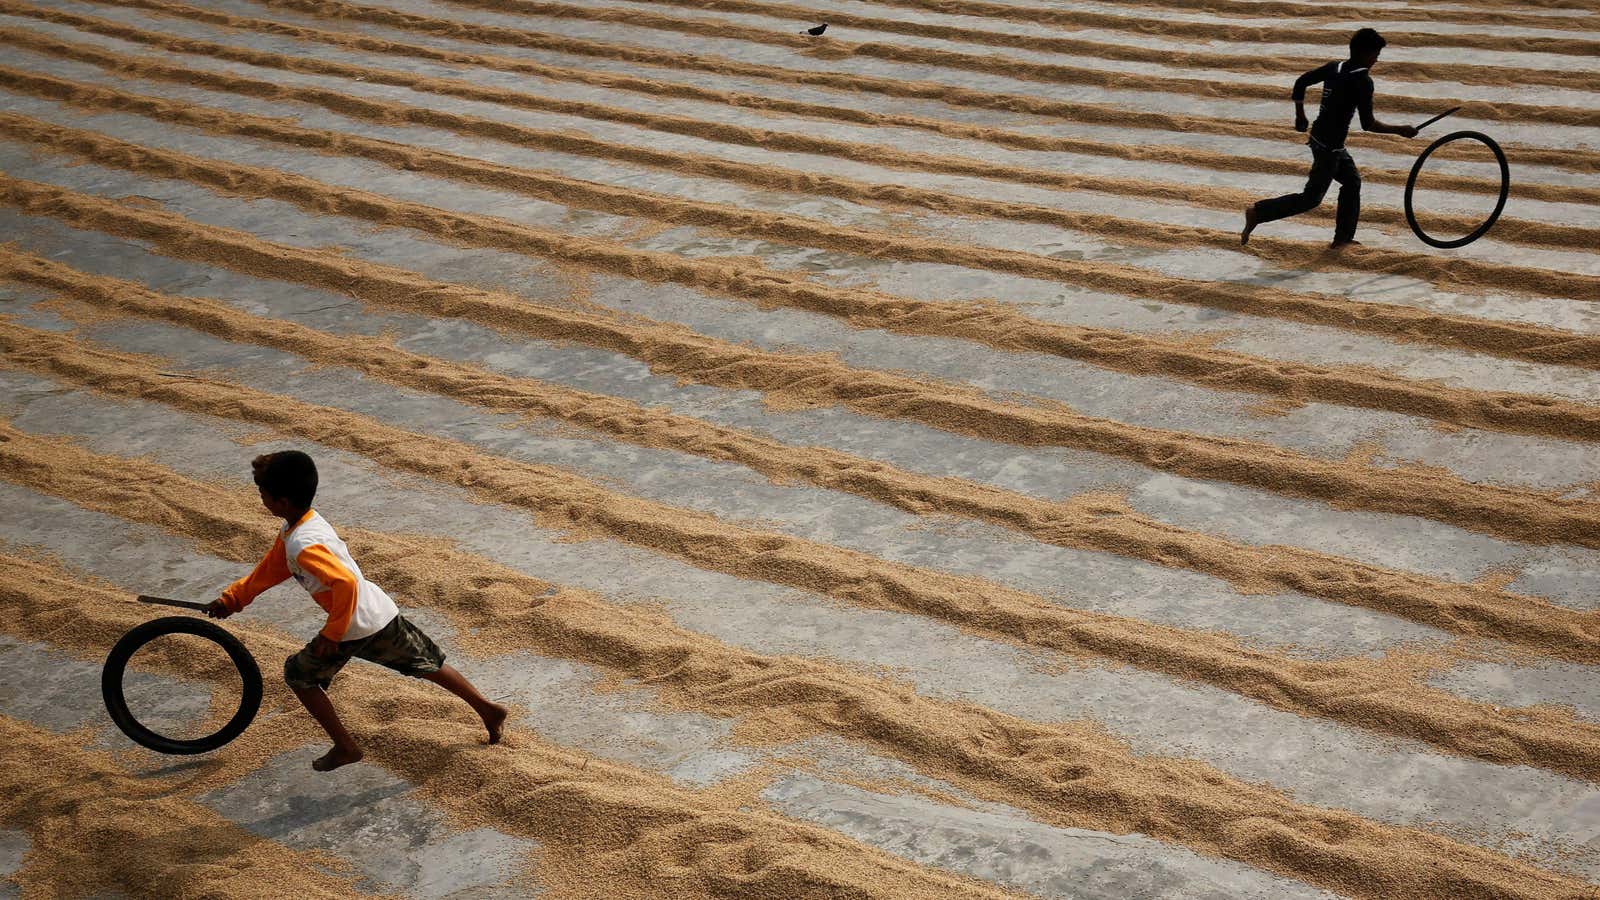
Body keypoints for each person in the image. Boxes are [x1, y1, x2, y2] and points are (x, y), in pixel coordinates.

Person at [205, 450, 507, 771]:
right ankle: (488, 710)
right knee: (427, 662)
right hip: (377, 610)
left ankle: (345, 746)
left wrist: (332, 634)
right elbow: (271, 569)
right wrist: (232, 599)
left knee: (299, 675)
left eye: (262, 493)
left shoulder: (302, 545)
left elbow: (345, 583)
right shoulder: (303, 525)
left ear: (280, 502)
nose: (260, 498)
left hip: (352, 624)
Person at [1241, 28, 1418, 248]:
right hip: (1329, 147)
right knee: (1311, 199)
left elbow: (1301, 82)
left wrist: (1300, 115)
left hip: (1319, 137)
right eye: (1375, 55)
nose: (1376, 60)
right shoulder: (1362, 81)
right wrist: (1400, 129)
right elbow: (1368, 124)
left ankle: (1342, 239)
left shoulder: (1335, 67)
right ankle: (1258, 212)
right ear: (1364, 53)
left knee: (1352, 182)